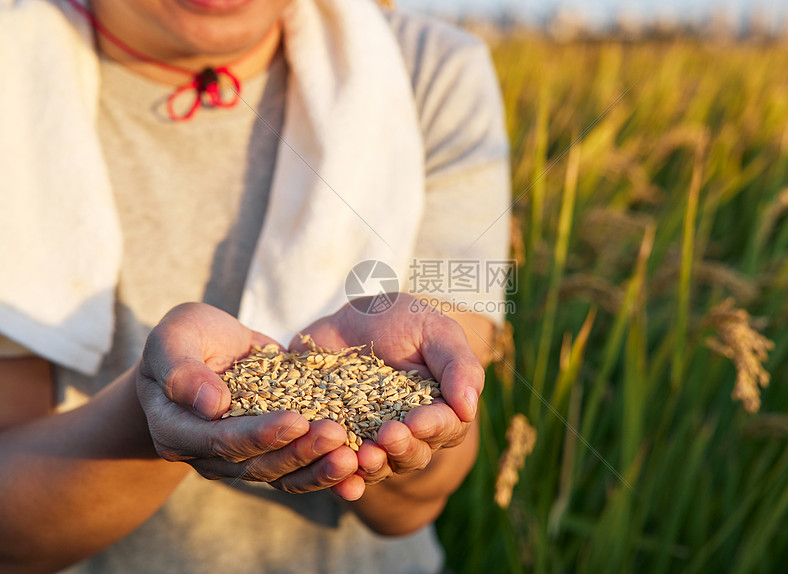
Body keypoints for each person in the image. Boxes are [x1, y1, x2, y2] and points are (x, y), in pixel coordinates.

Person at [0, 0, 510, 572]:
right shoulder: (13, 76)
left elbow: (420, 494)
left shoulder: (434, 70)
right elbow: (10, 532)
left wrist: (414, 428)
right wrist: (150, 416)